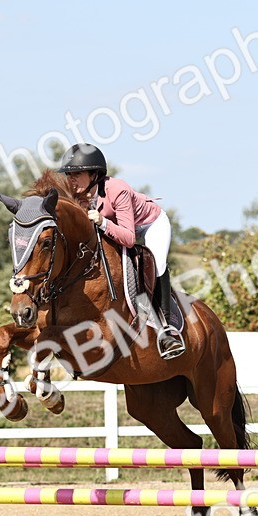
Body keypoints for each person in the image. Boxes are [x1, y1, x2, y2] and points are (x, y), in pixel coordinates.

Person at [57, 143, 185, 359]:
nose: (71, 180)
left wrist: (103, 222)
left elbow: (128, 238)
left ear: (94, 174)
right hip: (119, 227)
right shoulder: (76, 196)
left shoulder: (118, 189)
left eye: (76, 174)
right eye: (69, 175)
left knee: (157, 264)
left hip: (149, 225)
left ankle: (166, 329)